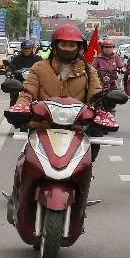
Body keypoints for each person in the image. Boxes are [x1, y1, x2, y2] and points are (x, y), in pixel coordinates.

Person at [7, 25, 103, 222]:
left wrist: (102, 110)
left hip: (75, 130)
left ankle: (81, 197)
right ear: (55, 45)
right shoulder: (39, 68)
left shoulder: (89, 71)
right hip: (42, 127)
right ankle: (17, 197)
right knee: (24, 163)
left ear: (80, 47)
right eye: (63, 44)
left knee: (88, 159)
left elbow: (96, 97)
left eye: (72, 45)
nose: (68, 48)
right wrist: (21, 107)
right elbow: (27, 93)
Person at [7, 39, 40, 105]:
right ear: (22, 49)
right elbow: (11, 67)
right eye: (25, 48)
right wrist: (9, 72)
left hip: (34, 81)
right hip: (19, 81)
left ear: (32, 49)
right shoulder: (16, 59)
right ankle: (13, 108)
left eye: (29, 48)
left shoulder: (38, 59)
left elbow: (43, 68)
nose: (27, 50)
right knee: (14, 92)